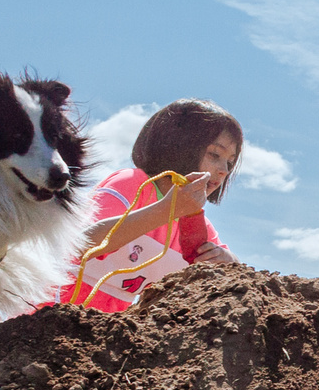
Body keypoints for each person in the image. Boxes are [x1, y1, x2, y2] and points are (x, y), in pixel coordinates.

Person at [59, 100, 244, 312]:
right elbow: (82, 244)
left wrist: (228, 260)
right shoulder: (133, 183)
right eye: (214, 155)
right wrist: (167, 210)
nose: (223, 170)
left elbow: (238, 273)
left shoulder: (194, 220)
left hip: (109, 329)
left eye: (229, 163)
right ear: (178, 145)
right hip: (55, 309)